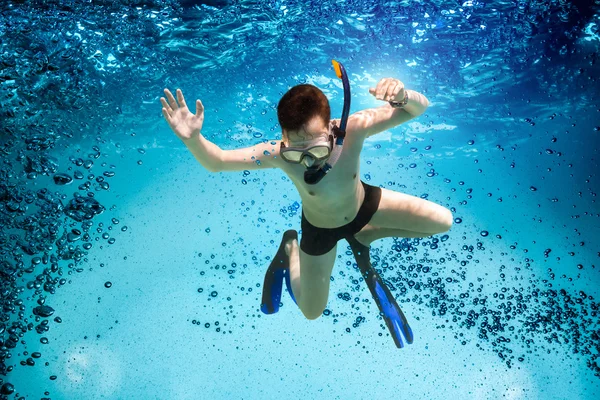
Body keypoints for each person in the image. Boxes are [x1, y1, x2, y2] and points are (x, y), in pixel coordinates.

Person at [160, 61, 453, 348]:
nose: (308, 161)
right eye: (295, 153)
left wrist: (402, 96)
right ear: (284, 139)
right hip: (319, 229)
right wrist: (193, 139)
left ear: (331, 129)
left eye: (317, 149)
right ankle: (291, 248)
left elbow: (418, 108)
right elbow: (218, 161)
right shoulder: (275, 152)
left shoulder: (354, 128)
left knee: (443, 221)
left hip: (365, 206)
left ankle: (368, 232)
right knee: (311, 312)